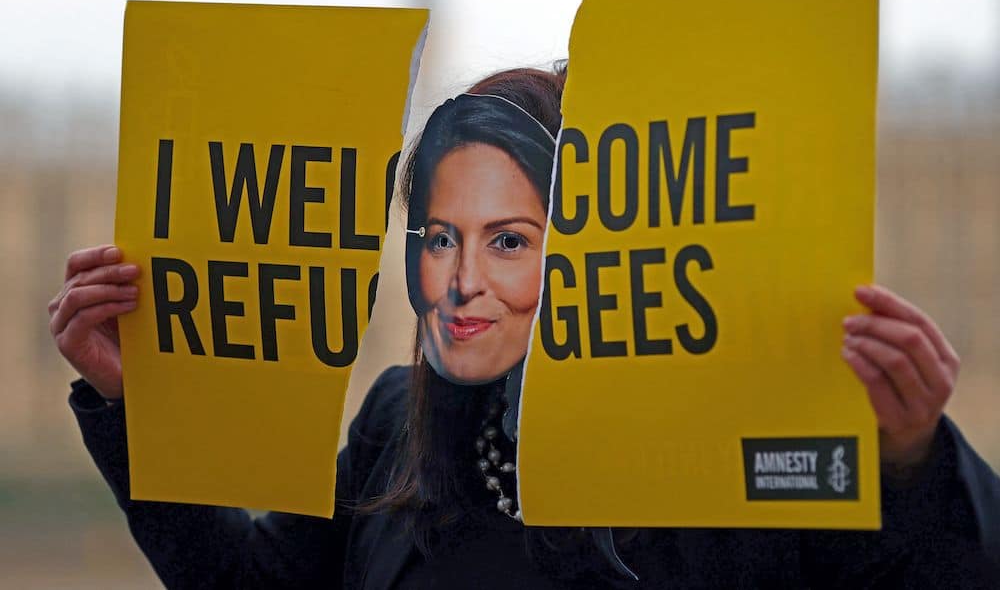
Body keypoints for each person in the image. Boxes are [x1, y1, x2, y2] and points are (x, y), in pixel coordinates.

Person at [50, 65, 1000, 588]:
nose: (462, 282)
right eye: (437, 236)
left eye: (510, 239)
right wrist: (141, 402)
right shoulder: (395, 426)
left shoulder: (729, 451)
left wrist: (908, 458)